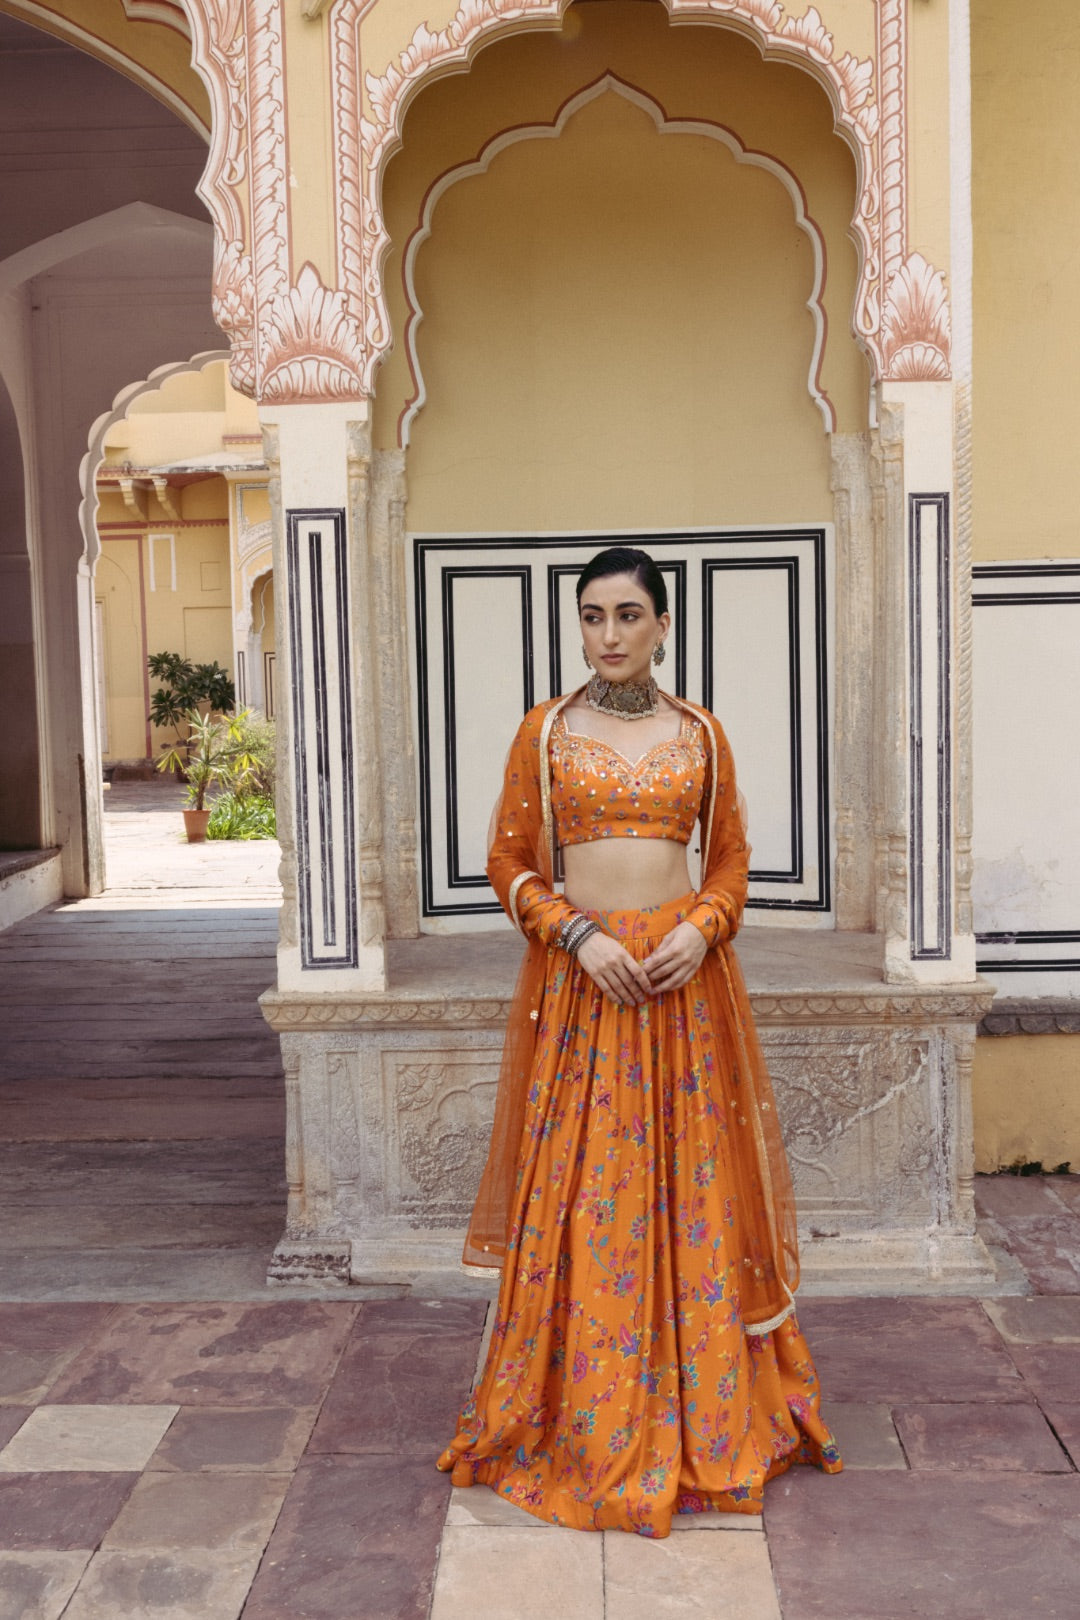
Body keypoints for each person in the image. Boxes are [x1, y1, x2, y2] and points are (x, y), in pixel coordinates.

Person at [436, 545, 840, 1536]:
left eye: (626, 616)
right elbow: (507, 858)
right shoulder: (546, 732)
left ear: (663, 625)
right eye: (591, 617)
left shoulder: (702, 734)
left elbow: (733, 858)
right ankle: (581, 1417)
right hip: (584, 990)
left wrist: (702, 928)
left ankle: (702, 1410)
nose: (607, 636)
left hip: (682, 990)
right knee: (585, 1194)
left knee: (693, 1189)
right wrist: (573, 934)